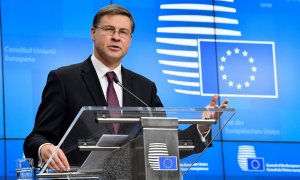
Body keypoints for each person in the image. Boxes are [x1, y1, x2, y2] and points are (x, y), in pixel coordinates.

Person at [23, 4, 229, 172]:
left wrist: (202, 126)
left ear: (130, 39)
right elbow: (36, 137)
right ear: (93, 33)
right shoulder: (64, 79)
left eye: (123, 32)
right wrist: (44, 148)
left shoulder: (144, 87)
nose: (116, 37)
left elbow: (165, 144)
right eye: (109, 29)